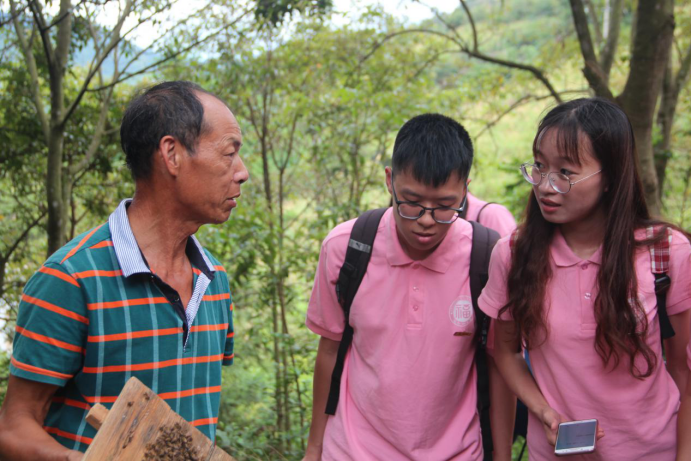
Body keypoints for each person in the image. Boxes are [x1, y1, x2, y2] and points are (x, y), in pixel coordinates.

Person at [0, 81, 248, 460]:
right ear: (172, 154)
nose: (242, 172)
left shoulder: (214, 280)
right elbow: (13, 427)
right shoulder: (71, 279)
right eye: (229, 153)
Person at [479, 98, 691, 460]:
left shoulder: (666, 253)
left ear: (610, 176)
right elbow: (506, 352)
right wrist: (543, 410)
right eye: (540, 167)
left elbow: (685, 375)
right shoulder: (514, 254)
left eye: (565, 172)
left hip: (653, 451)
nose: (545, 186)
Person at [303, 114, 515, 461]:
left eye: (445, 206)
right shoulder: (346, 248)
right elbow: (329, 351)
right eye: (412, 202)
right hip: (353, 451)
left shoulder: (487, 258)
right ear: (390, 180)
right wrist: (314, 449)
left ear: (465, 190)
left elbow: (500, 365)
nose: (427, 220)